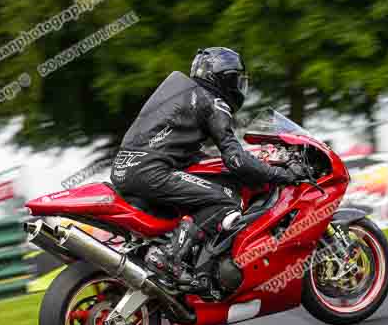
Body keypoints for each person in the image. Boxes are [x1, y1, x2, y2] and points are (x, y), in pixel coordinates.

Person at [111, 47, 306, 293]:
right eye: (236, 79)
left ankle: (179, 259)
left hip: (125, 168)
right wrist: (281, 174)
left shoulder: (180, 92)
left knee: (203, 192)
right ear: (223, 78)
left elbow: (177, 146)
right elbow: (235, 159)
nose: (239, 86)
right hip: (150, 171)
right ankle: (170, 257)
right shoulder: (213, 102)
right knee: (225, 199)